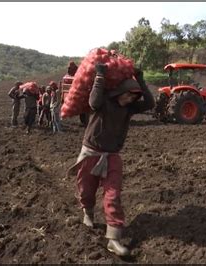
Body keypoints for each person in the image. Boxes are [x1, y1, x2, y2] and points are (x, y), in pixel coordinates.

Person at [67, 64, 154, 256]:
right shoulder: (104, 102)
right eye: (128, 94)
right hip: (91, 152)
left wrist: (141, 80)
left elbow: (150, 104)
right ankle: (87, 212)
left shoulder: (129, 108)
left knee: (113, 194)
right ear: (119, 92)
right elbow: (94, 102)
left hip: (113, 155)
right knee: (86, 189)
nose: (131, 98)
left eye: (134, 96)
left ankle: (113, 238)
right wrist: (99, 75)